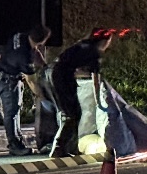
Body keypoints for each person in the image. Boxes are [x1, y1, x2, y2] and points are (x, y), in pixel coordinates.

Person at [49, 29, 115, 158]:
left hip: (57, 73)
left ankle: (71, 147)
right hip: (63, 78)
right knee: (73, 114)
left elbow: (74, 65)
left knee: (74, 113)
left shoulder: (83, 45)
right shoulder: (94, 53)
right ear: (104, 41)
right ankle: (59, 147)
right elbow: (96, 78)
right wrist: (100, 99)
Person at [0, 26, 50, 156]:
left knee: (14, 111)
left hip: (2, 73)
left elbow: (35, 50)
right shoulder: (25, 57)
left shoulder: (20, 35)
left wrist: (45, 65)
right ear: (42, 41)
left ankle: (18, 143)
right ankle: (14, 145)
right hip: (7, 80)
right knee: (11, 112)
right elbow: (31, 81)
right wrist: (42, 97)